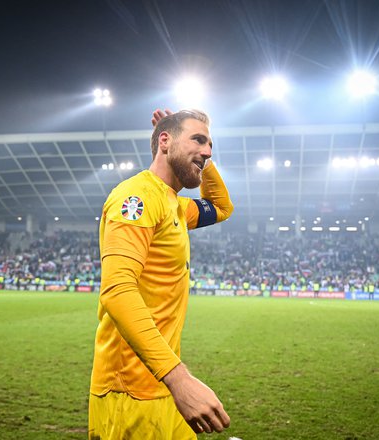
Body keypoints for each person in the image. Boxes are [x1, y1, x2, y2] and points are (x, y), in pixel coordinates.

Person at [89, 109, 233, 439]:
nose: (209, 150)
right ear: (165, 142)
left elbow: (222, 207)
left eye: (211, 145)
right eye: (198, 139)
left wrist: (201, 161)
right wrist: (179, 378)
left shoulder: (176, 206)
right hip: (132, 390)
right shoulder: (136, 197)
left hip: (163, 383)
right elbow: (118, 290)